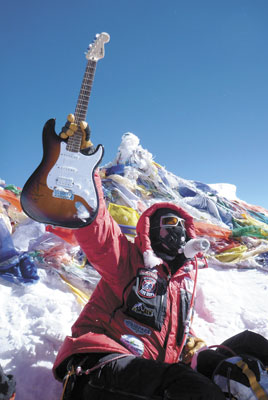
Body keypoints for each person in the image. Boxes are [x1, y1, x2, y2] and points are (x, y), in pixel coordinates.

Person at [53, 115, 226, 400]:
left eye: (181, 227)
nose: (177, 232)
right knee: (185, 386)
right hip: (96, 364)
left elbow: (164, 329)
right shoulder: (128, 260)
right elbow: (97, 228)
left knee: (247, 348)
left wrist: (188, 344)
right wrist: (83, 165)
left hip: (143, 378)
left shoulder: (179, 288)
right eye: (168, 225)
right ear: (152, 232)